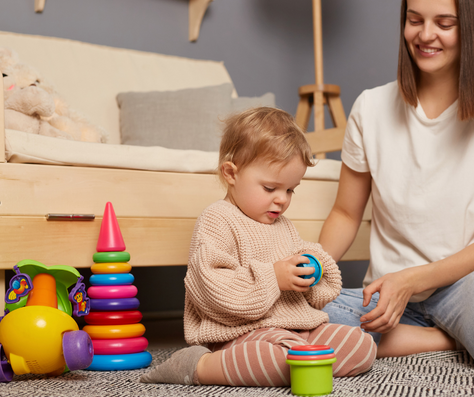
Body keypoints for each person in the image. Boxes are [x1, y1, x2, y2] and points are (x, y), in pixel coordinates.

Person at [319, 0, 474, 366]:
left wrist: (413, 279)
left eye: (444, 23)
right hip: (389, 294)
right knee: (302, 321)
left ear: (472, 28)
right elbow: (345, 213)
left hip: (472, 284)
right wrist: (314, 267)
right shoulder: (370, 108)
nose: (425, 35)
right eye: (414, 20)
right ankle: (445, 339)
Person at [140, 107, 454, 387]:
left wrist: (313, 268)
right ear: (231, 173)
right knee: (276, 358)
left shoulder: (282, 225)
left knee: (361, 346)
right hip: (238, 337)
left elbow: (319, 295)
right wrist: (273, 278)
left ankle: (298, 357)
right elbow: (214, 291)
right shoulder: (217, 220)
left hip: (296, 330)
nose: (282, 199)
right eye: (270, 187)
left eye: (291, 189)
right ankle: (199, 366)